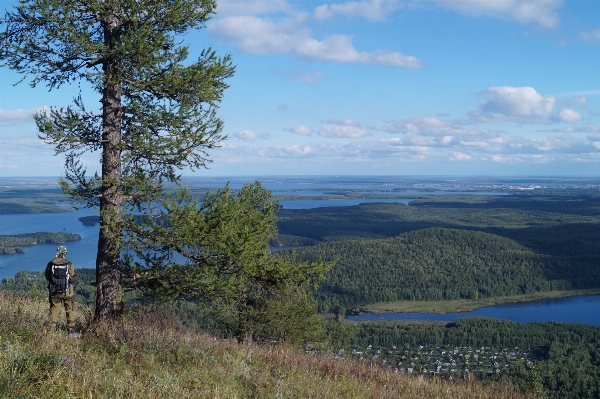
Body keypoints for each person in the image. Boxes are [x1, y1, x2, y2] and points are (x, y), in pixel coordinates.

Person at [45, 245, 77, 333]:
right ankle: (71, 330)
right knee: (69, 310)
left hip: (55, 291)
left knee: (54, 310)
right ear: (65, 253)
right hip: (68, 292)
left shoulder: (51, 264)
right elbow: (72, 278)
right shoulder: (69, 264)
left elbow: (47, 277)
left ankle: (51, 330)